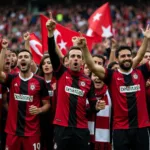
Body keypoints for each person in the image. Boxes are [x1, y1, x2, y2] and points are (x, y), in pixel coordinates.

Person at [75, 25, 150, 150]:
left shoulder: (141, 72)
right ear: (118, 59)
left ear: (132, 57)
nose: (126, 58)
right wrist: (84, 48)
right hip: (120, 130)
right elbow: (92, 67)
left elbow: (141, 54)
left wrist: (146, 39)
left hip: (141, 128)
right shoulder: (112, 76)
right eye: (123, 56)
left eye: (128, 55)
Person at [46, 13, 105, 150]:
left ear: (83, 61)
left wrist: (97, 106)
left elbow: (92, 105)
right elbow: (52, 53)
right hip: (62, 128)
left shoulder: (88, 81)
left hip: (81, 129)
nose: (76, 59)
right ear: (68, 59)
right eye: (73, 56)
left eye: (79, 56)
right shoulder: (61, 72)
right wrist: (50, 33)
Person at [0, 39, 50, 150]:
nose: (23, 58)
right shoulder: (12, 79)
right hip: (13, 132)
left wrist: (39, 110)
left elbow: (47, 104)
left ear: (31, 61)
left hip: (32, 133)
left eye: (26, 57)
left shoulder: (40, 81)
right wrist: (3, 49)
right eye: (21, 57)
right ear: (17, 62)